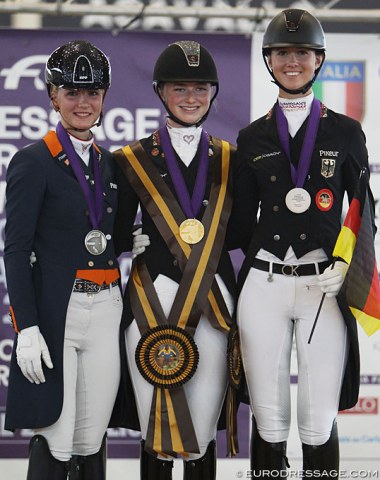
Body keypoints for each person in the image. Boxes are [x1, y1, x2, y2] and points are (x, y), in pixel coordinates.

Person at [233, 9, 377, 477]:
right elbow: (236, 222)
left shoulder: (346, 132)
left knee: (317, 421)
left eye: (301, 53)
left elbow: (364, 209)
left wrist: (349, 261)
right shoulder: (252, 137)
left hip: (323, 284)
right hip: (265, 282)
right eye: (282, 53)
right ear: (268, 60)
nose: (291, 61)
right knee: (269, 419)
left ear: (318, 60)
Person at [113, 40, 239, 479]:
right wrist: (126, 241)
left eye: (201, 88)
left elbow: (240, 233)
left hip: (213, 304)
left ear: (213, 94)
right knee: (156, 428)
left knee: (201, 430)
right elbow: (110, 235)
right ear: (160, 92)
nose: (191, 97)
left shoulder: (231, 160)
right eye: (179, 87)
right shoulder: (128, 160)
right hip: (150, 302)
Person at [4, 40, 123, 480]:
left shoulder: (110, 165)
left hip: (108, 307)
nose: (83, 102)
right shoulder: (32, 161)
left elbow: (111, 234)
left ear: (105, 96)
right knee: (57, 435)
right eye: (72, 92)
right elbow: (15, 248)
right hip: (61, 311)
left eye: (92, 92)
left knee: (91, 439)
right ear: (52, 96)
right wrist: (27, 325)